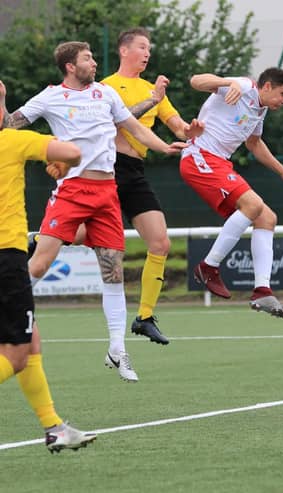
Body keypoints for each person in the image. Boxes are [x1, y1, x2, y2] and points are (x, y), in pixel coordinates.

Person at [1, 41, 186, 382]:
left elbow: (134, 127)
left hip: (107, 193)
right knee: (40, 263)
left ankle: (118, 350)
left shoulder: (105, 94)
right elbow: (10, 124)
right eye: (87, 58)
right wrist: (1, 99)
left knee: (113, 273)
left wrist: (165, 147)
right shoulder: (51, 96)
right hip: (72, 191)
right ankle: (7, 307)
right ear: (71, 66)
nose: (94, 63)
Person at [71, 27, 204, 345]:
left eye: (149, 49)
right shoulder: (105, 87)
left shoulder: (153, 90)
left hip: (136, 172)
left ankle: (144, 317)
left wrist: (193, 130)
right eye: (142, 47)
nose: (147, 53)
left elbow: (178, 127)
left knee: (161, 243)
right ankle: (36, 240)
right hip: (107, 168)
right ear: (123, 50)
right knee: (86, 234)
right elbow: (117, 122)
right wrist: (152, 99)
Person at [0, 95, 97, 453]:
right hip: (6, 259)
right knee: (15, 356)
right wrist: (61, 165)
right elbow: (71, 152)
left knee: (32, 341)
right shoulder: (11, 139)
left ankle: (53, 427)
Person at [180, 68, 283, 318]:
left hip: (219, 163)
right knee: (254, 205)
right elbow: (195, 80)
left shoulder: (261, 108)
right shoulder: (244, 86)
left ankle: (262, 291)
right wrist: (227, 82)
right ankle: (208, 266)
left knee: (267, 218)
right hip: (199, 157)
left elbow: (254, 144)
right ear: (266, 86)